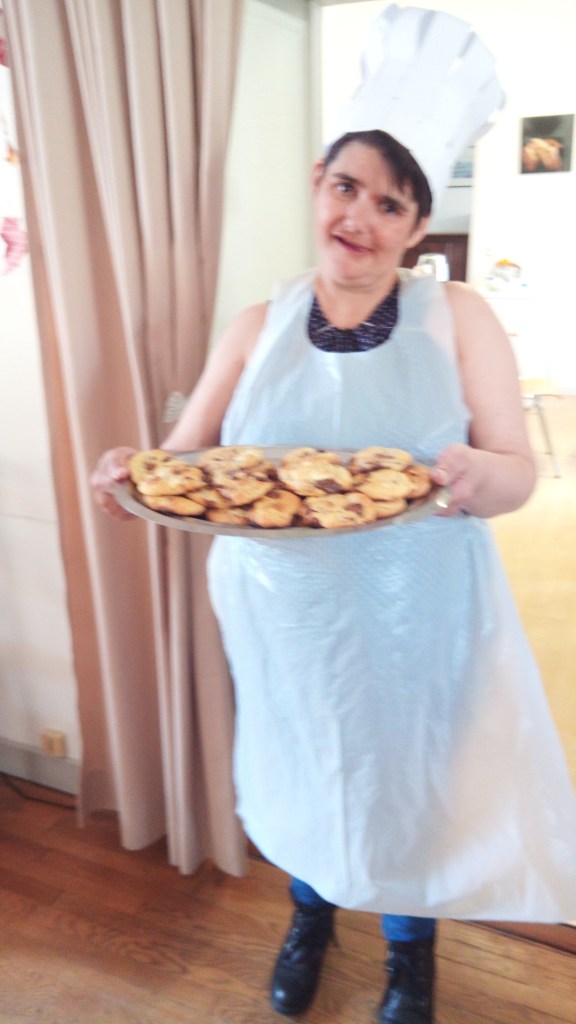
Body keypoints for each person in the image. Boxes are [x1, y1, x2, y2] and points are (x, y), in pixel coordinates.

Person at [91, 9, 576, 1023]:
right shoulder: (255, 325)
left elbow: (517, 474)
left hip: (420, 620)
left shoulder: (460, 318)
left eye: (390, 203)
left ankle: (409, 953)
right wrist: (132, 473)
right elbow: (189, 461)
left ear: (415, 226)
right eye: (347, 186)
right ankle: (310, 918)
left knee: (410, 786)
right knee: (305, 771)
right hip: (285, 622)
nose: (360, 216)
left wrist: (475, 474)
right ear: (318, 184)